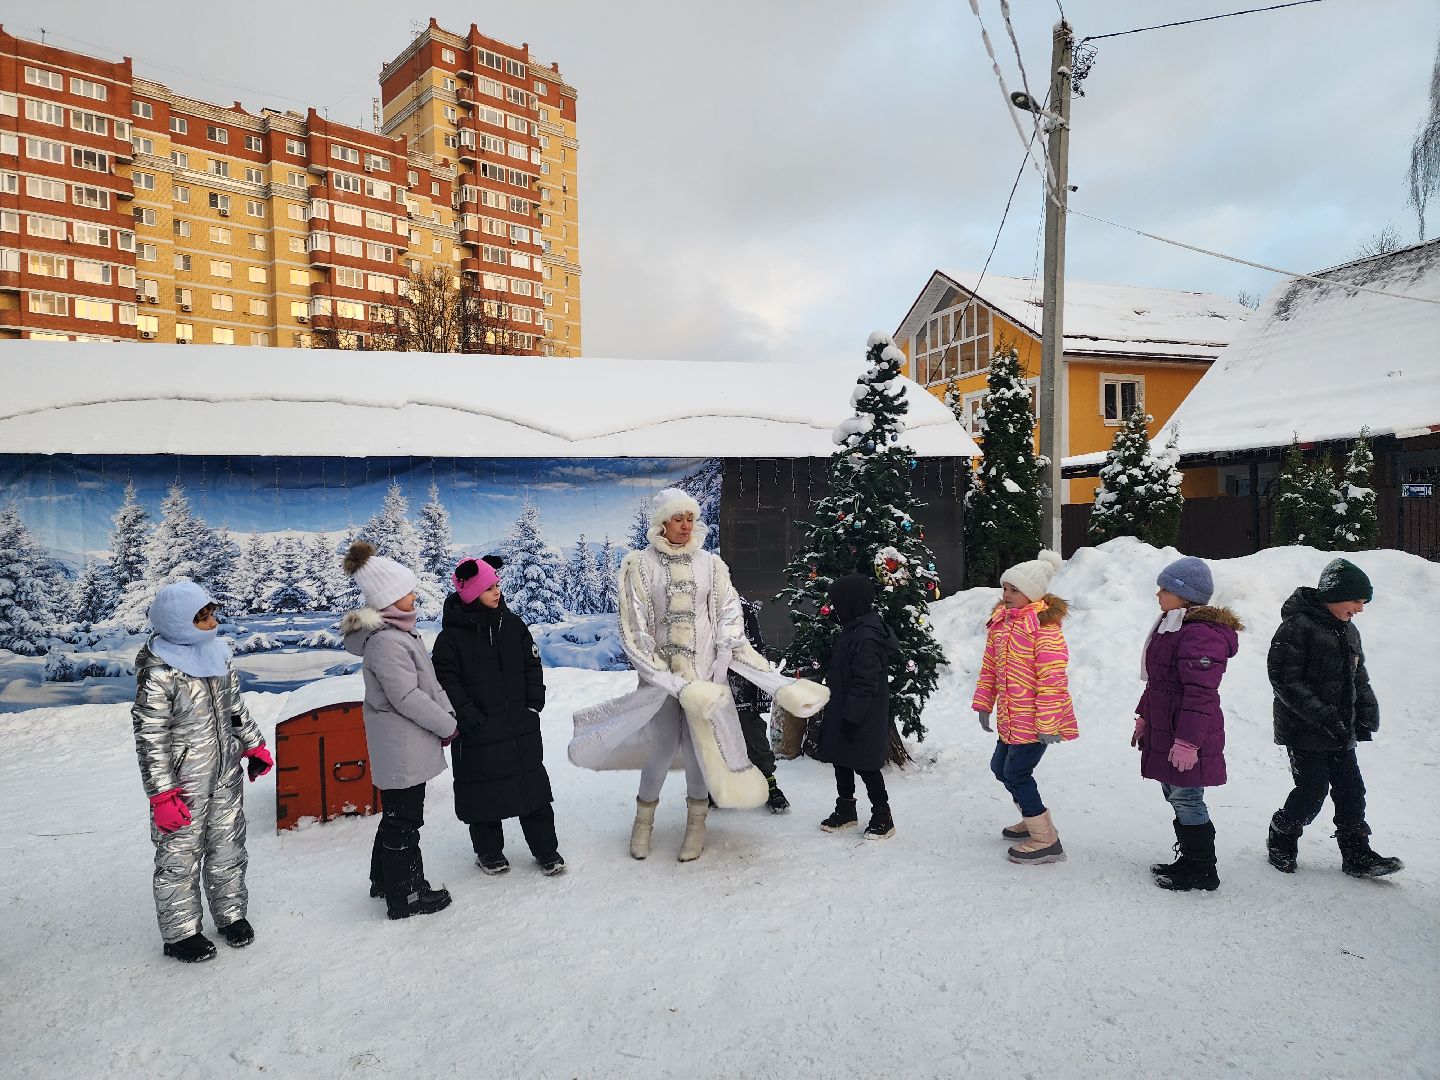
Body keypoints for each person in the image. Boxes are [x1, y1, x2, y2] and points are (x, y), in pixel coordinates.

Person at [569, 487, 827, 862]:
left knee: (697, 752)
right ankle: (643, 823)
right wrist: (673, 682)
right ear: (662, 523)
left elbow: (727, 615)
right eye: (678, 518)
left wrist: (719, 667)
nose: (687, 525)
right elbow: (635, 634)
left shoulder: (711, 564)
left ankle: (696, 824)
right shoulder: (638, 566)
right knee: (660, 750)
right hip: (662, 682)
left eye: (691, 517)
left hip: (708, 678)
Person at [132, 578, 271, 963]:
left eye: (211, 615)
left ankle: (230, 914)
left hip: (224, 771)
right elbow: (150, 735)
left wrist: (254, 744)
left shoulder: (217, 655)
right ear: (178, 623)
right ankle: (180, 934)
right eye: (202, 618)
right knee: (179, 855)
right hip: (183, 783)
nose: (212, 623)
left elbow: (234, 708)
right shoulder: (161, 671)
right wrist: (161, 793)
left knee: (228, 846)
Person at [341, 540, 459, 919]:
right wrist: (447, 724)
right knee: (405, 820)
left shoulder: (400, 634)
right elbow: (407, 696)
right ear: (389, 600)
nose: (414, 597)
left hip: (406, 741)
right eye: (407, 592)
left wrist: (447, 711)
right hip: (402, 744)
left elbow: (427, 684)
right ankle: (405, 895)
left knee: (397, 815)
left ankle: (383, 880)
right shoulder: (388, 642)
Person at [1265, 558, 1403, 879]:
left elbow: (1359, 677)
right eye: (1357, 601)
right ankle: (1283, 833)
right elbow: (1285, 680)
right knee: (1312, 790)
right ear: (1335, 595)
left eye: (1364, 603)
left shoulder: (1348, 631)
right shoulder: (1296, 628)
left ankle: (1356, 853)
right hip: (1304, 728)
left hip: (1340, 729)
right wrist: (1322, 715)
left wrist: (1366, 712)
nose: (1360, 609)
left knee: (1352, 789)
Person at [432, 556, 564, 876]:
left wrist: (534, 702)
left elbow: (532, 664)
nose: (496, 591)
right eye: (488, 587)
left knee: (531, 790)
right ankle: (489, 852)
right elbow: (445, 681)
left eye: (497, 585)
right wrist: (467, 716)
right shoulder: (450, 639)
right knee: (482, 792)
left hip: (520, 726)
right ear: (470, 591)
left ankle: (546, 850)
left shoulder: (513, 624)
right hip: (478, 729)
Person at [1132, 557, 1242, 892]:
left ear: (1185, 595)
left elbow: (1200, 694)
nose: (1158, 594)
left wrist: (1188, 743)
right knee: (1175, 792)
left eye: (1164, 589)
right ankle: (1190, 860)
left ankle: (1202, 868)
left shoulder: (1200, 636)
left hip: (1187, 730)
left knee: (1186, 797)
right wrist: (1144, 717)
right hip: (1167, 724)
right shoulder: (1173, 626)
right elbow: (1159, 683)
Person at [970, 549, 1077, 865]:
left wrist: (1047, 724)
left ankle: (1046, 840)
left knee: (1016, 773)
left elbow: (1052, 680)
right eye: (1005, 588)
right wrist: (983, 704)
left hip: (1035, 722)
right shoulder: (1001, 624)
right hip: (1010, 719)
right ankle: (1033, 818)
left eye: (1014, 589)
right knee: (999, 768)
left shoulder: (1045, 630)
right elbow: (990, 668)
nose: (1006, 595)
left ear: (1032, 594)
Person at [816, 574, 901, 840]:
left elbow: (866, 682)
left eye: (838, 603)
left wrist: (851, 716)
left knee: (866, 766)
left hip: (861, 714)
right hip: (844, 709)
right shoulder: (853, 628)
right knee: (841, 760)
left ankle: (882, 815)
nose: (835, 608)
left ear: (851, 603)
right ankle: (846, 810)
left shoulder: (866, 636)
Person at [727, 595, 790, 814]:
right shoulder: (698, 609)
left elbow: (758, 651)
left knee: (753, 737)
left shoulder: (742, 609)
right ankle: (716, 787)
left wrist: (760, 693)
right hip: (710, 691)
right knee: (711, 739)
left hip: (742, 689)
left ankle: (769, 784)